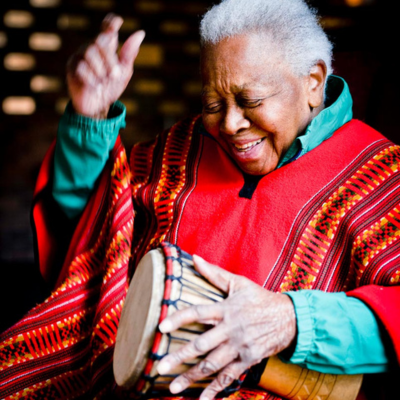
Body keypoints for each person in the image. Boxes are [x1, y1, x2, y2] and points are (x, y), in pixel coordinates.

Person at [1, 1, 399, 399]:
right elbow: (90, 243)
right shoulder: (179, 149)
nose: (229, 124)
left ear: (313, 81)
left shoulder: (381, 176)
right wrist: (89, 124)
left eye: (251, 100)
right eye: (213, 103)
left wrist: (292, 320)